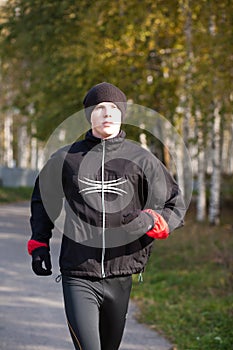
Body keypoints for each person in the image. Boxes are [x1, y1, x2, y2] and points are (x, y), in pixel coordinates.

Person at [27, 82, 186, 350]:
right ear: (89, 114)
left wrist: (153, 221)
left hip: (121, 274)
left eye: (114, 108)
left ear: (122, 115)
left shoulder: (140, 158)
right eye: (100, 107)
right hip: (78, 273)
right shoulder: (67, 158)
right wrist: (39, 243)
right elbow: (43, 199)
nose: (107, 113)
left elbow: (174, 202)